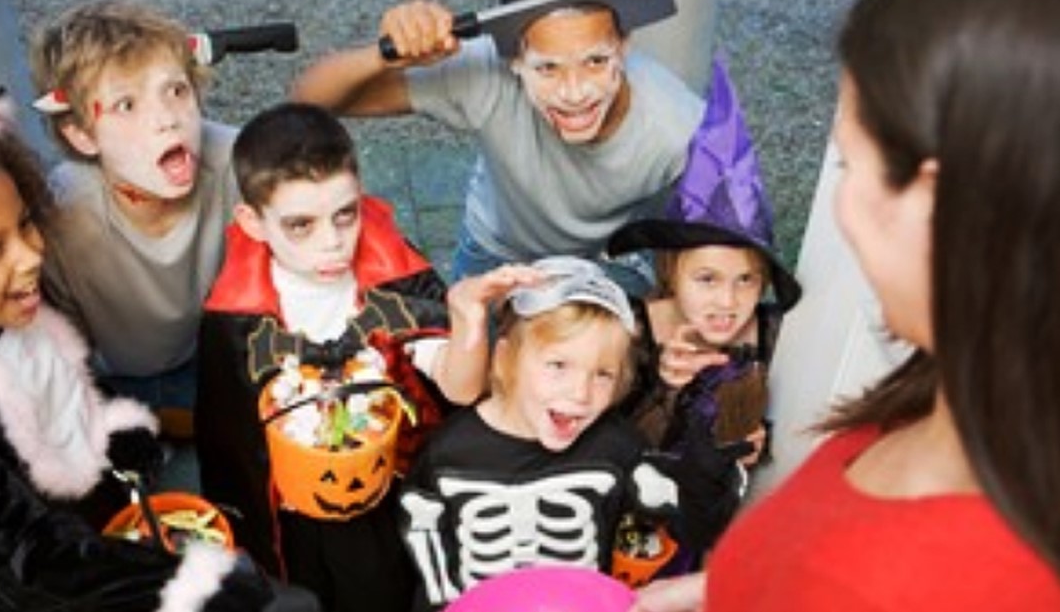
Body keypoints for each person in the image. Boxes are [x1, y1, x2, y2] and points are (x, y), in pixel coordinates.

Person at [630, 0, 1060, 609]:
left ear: (932, 203)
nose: (839, 206)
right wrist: (712, 587)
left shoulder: (893, 577)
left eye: (848, 165)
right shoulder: (955, 395)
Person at [0, 92, 317, 612]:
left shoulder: (12, 318)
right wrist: (197, 580)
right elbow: (40, 558)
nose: (32, 252)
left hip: (113, 518)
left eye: (24, 223)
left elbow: (72, 390)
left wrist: (140, 432)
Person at [194, 102, 518, 612]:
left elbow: (458, 388)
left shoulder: (394, 287)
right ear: (253, 222)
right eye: (301, 225)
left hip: (390, 497)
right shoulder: (236, 319)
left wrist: (468, 322)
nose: (333, 243)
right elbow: (228, 440)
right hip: (297, 515)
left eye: (345, 215)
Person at [291, 0, 705, 296]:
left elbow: (706, 240)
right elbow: (311, 99)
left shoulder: (677, 127)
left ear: (625, 45)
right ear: (513, 59)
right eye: (548, 67)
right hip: (498, 246)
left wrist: (666, 301)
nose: (575, 91)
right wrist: (387, 55)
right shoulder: (484, 75)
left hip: (609, 257)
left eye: (596, 61)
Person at [399, 256, 692, 611]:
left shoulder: (618, 447)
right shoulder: (448, 452)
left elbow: (678, 515)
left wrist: (703, 472)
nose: (580, 394)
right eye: (558, 365)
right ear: (505, 359)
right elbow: (423, 536)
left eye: (602, 374)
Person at [606, 58, 802, 572]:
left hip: (722, 522)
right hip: (639, 511)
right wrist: (664, 388)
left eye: (747, 281)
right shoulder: (637, 327)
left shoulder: (776, 335)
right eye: (707, 279)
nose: (727, 301)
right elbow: (611, 435)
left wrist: (760, 442)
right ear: (672, 274)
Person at [28, 0, 239, 439]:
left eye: (177, 91)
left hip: (216, 354)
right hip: (118, 378)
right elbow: (60, 337)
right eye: (126, 105)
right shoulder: (63, 215)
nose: (167, 120)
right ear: (83, 135)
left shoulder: (236, 164)